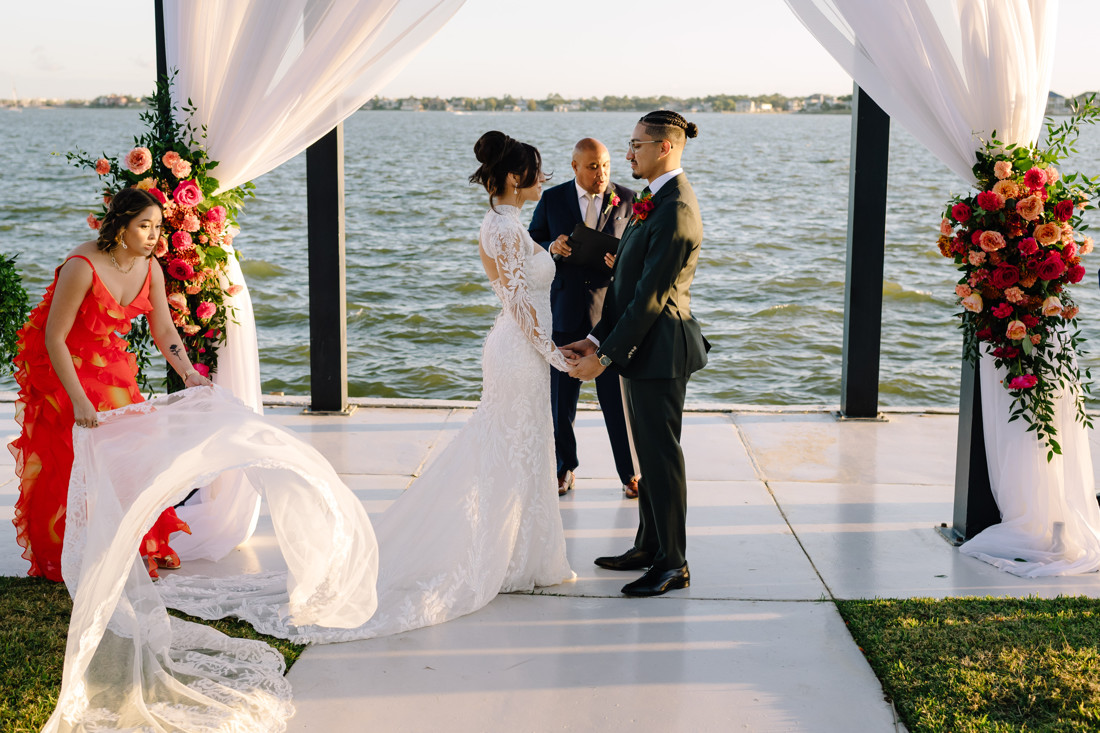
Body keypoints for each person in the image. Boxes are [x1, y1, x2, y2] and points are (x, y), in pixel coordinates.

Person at [8, 187, 211, 581]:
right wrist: (79, 400)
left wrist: (188, 373)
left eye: (157, 226)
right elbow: (54, 339)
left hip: (109, 362)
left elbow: (164, 327)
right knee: (74, 456)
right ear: (120, 227)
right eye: (144, 226)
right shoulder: (82, 265)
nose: (153, 235)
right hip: (63, 365)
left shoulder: (150, 267)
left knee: (135, 450)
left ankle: (132, 546)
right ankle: (72, 551)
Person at [566, 111, 709, 597]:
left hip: (662, 349)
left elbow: (650, 297)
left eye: (635, 146)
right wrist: (596, 338)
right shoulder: (654, 199)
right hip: (639, 347)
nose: (627, 154)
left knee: (661, 457)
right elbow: (626, 286)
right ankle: (649, 545)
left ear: (664, 148)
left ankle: (674, 563)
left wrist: (602, 360)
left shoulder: (676, 209)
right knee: (646, 453)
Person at [528, 138, 640, 498]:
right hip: (565, 313)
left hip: (610, 317)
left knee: (618, 404)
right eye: (593, 167)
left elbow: (641, 253)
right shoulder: (552, 199)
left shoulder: (630, 199)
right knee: (561, 404)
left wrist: (623, 263)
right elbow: (532, 243)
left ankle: (630, 474)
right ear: (575, 166)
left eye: (606, 165)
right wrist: (552, 249)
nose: (601, 174)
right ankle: (565, 468)